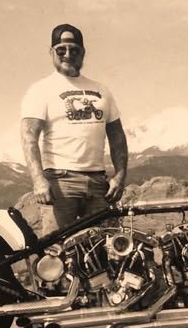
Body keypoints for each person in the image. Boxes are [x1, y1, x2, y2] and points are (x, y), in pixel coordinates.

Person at [20, 23, 128, 231]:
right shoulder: (40, 90)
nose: (68, 55)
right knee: (57, 247)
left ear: (83, 52)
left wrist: (120, 176)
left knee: (104, 245)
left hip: (98, 183)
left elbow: (117, 137)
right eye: (61, 50)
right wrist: (38, 180)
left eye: (74, 50)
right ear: (51, 52)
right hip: (60, 183)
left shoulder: (101, 90)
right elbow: (29, 137)